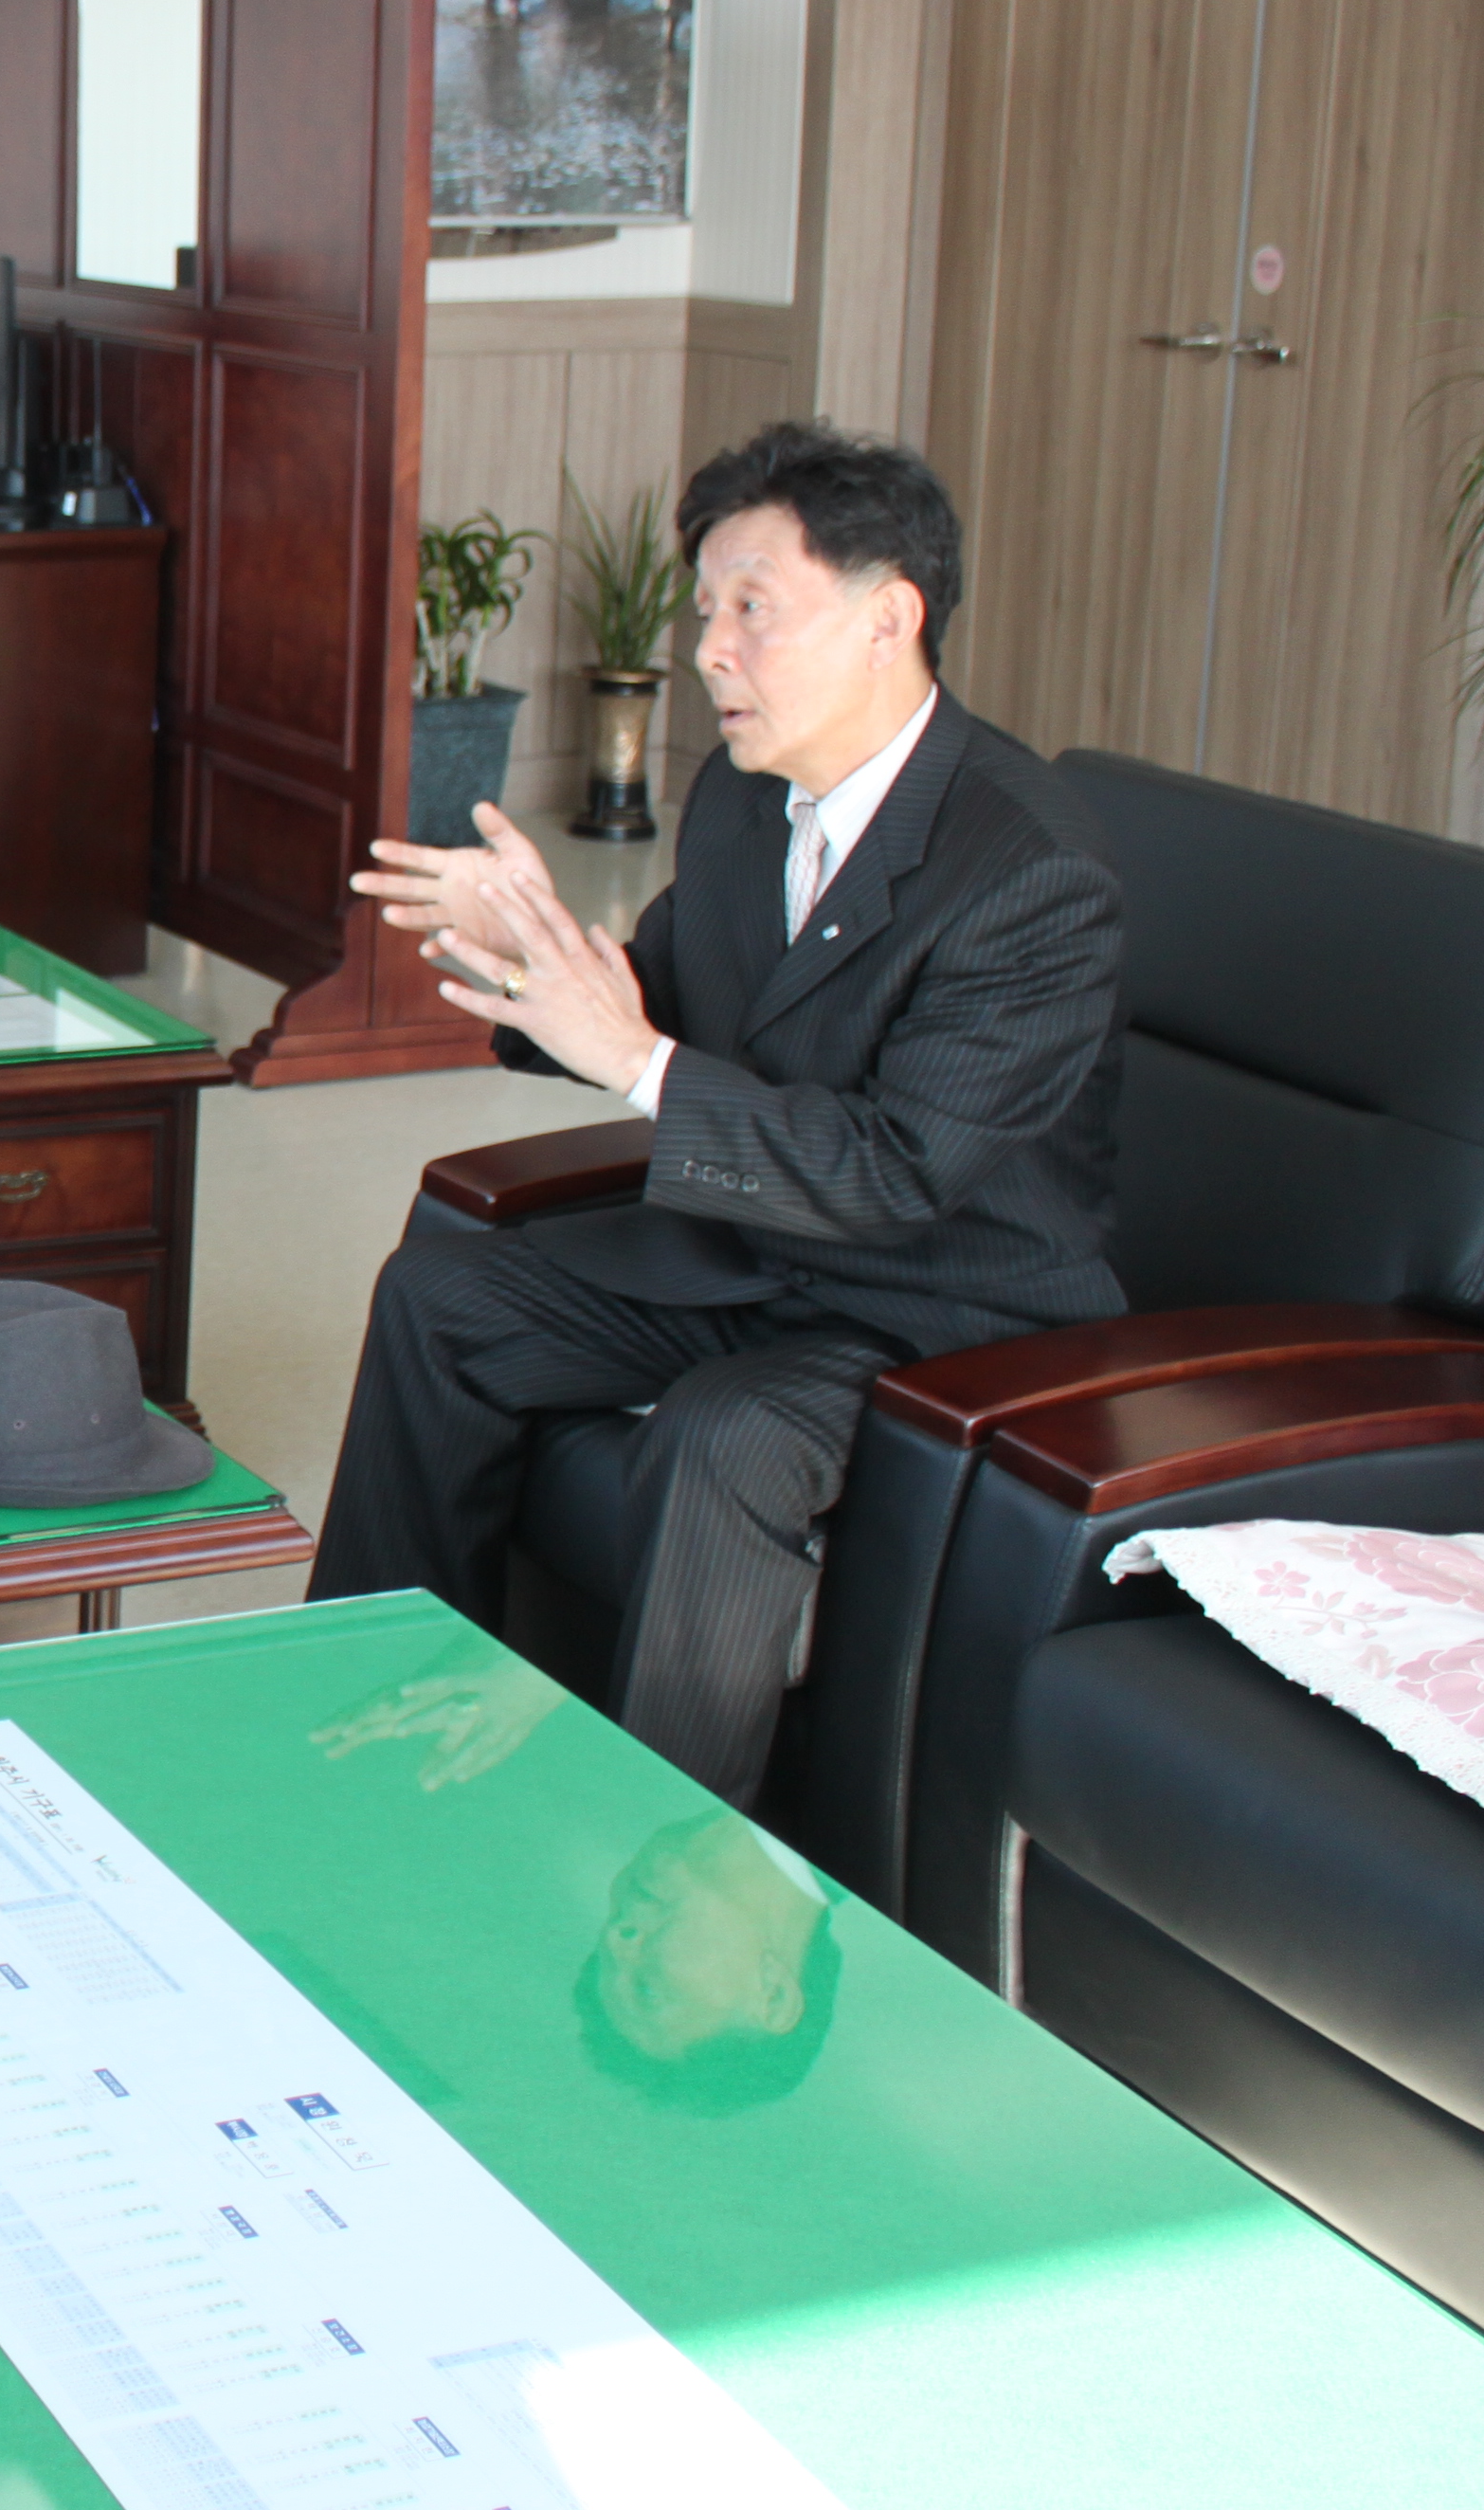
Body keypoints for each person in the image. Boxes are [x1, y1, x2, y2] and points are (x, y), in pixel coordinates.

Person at [306, 421, 1125, 1806]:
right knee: (443, 1301)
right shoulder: (747, 802)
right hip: (757, 1254)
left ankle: (662, 1842)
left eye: (752, 609)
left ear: (889, 619)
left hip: (944, 1310)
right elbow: (669, 996)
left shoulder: (1028, 870)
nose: (708, 651)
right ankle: (366, 1705)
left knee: (723, 1433)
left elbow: (898, 1172)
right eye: (704, 613)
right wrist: (530, 954)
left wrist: (633, 1056)